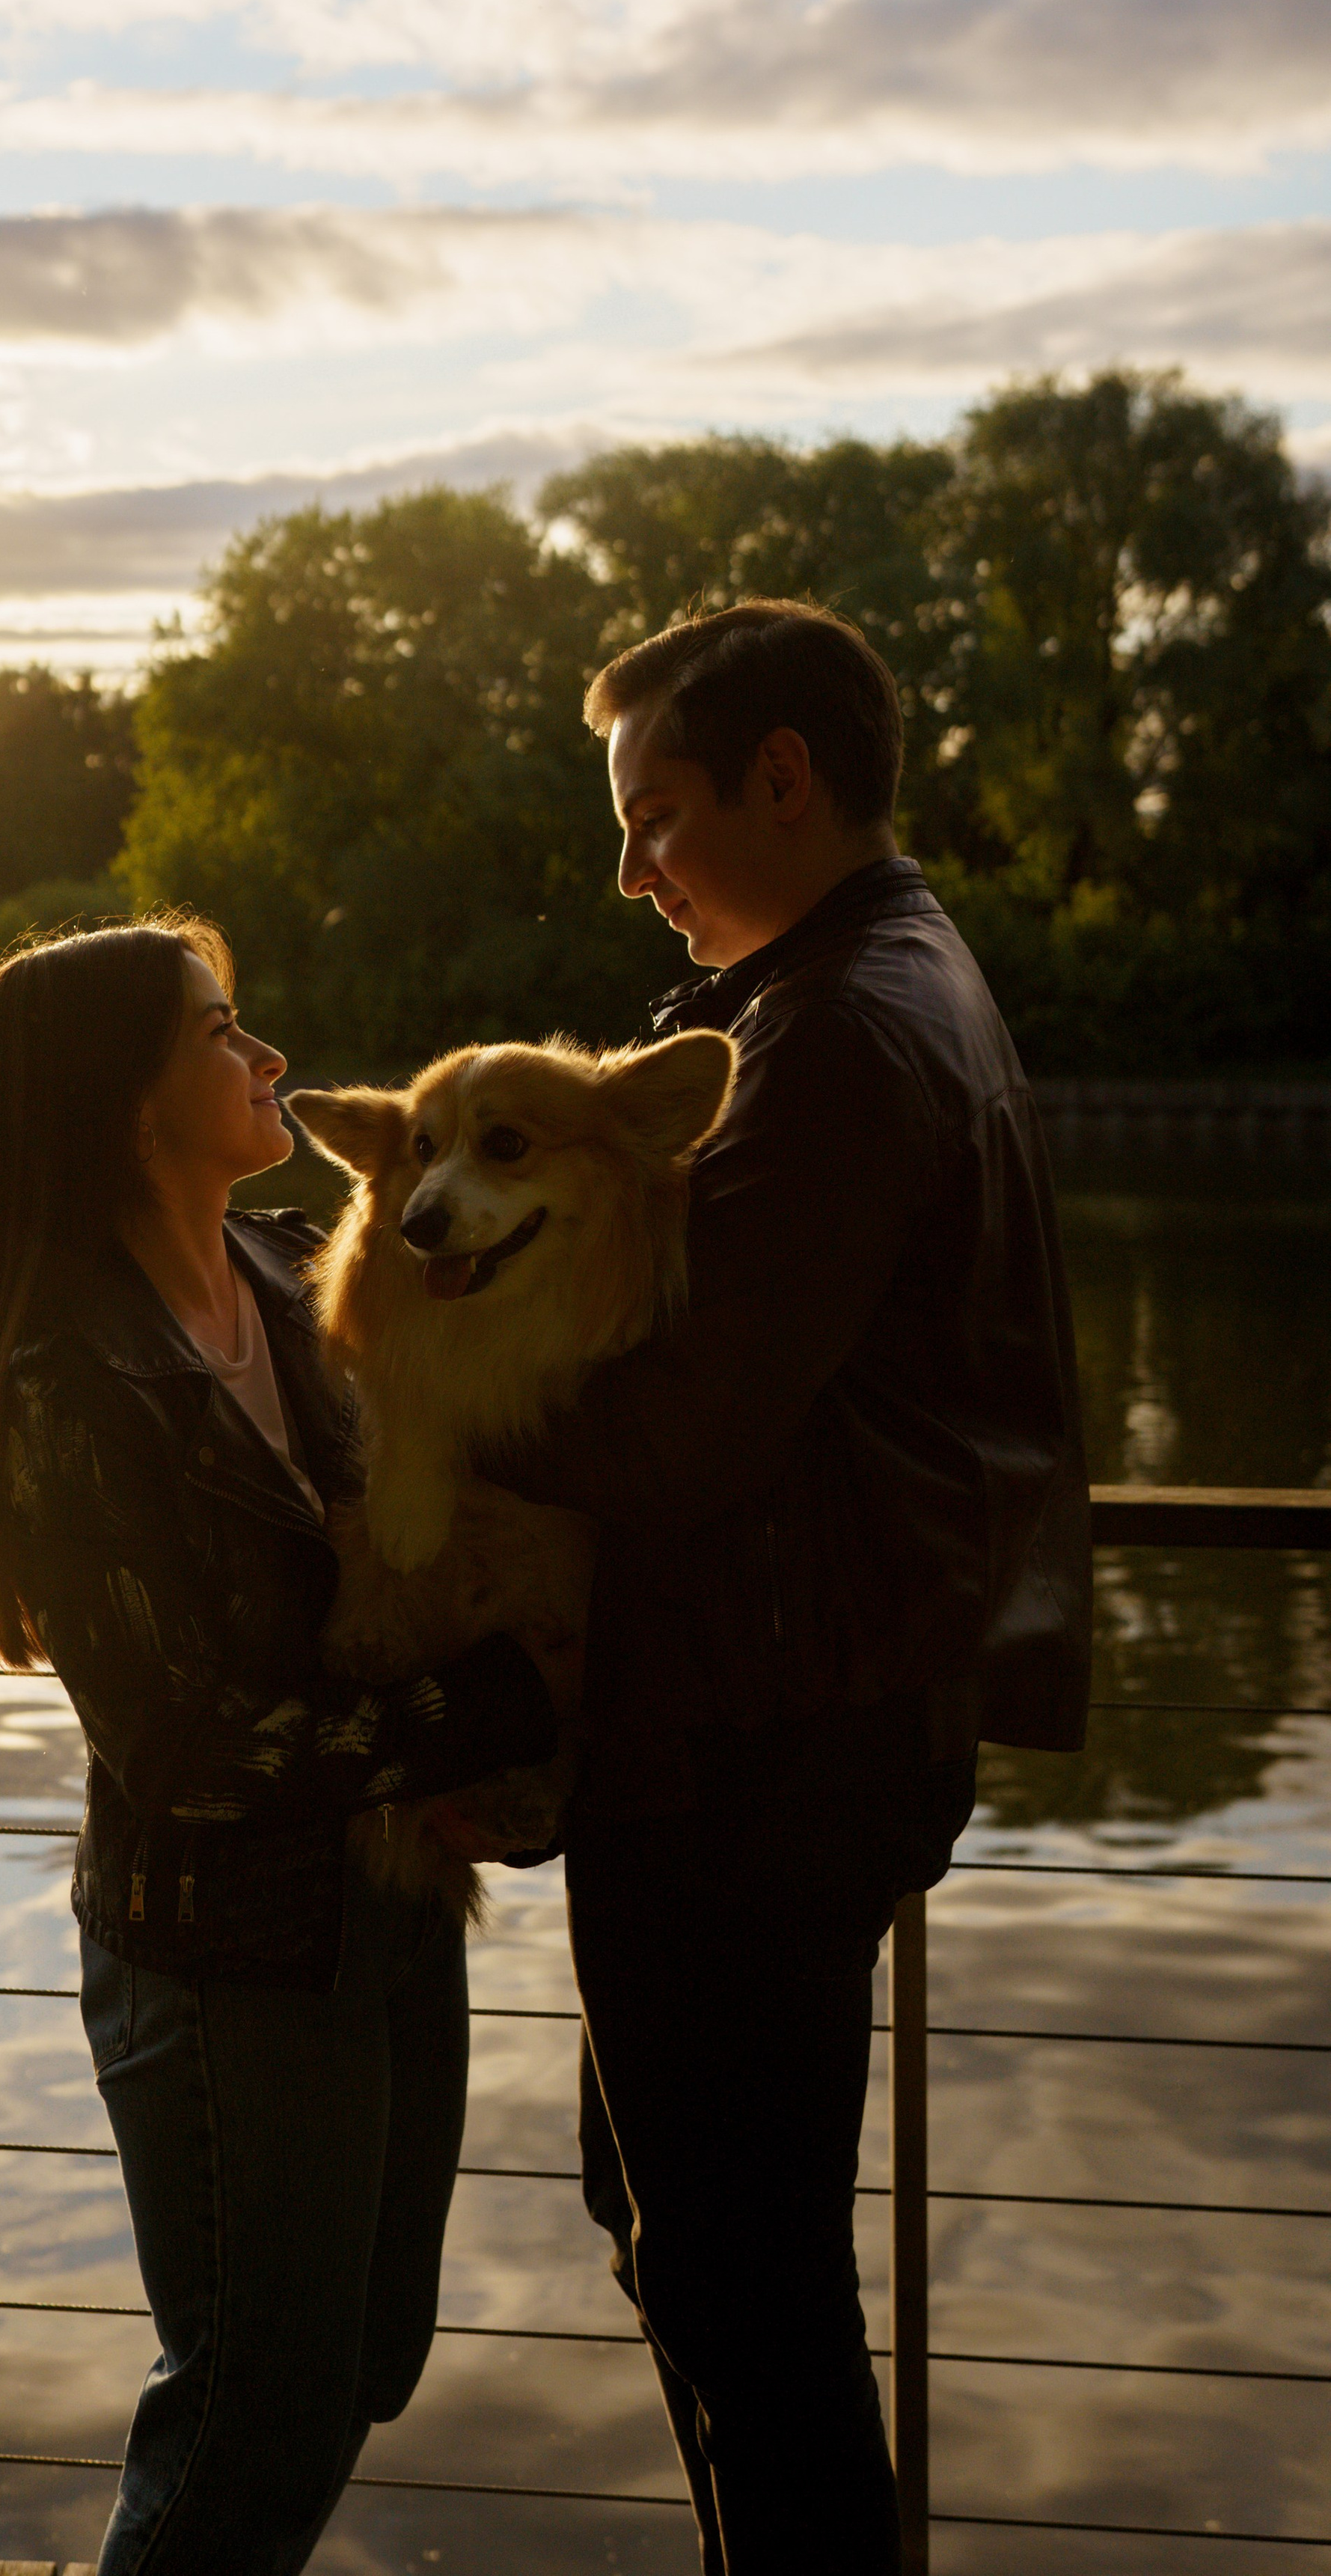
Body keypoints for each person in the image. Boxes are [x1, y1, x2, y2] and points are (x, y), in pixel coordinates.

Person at [477, 599, 1092, 2575]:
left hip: (760, 1753)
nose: (629, 864)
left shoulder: (830, 1035)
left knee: (745, 2297)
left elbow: (676, 1436)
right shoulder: (871, 985)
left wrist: (411, 1428)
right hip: (802, 1723)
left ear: (783, 778)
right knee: (693, 2245)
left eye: (653, 813)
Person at [0, 912, 574, 2576]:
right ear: (124, 1101)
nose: (268, 1058)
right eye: (223, 1032)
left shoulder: (302, 1270)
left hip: (385, 1907)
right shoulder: (70, 1377)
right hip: (223, 1950)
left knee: (362, 2361)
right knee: (254, 2404)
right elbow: (183, 1751)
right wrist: (499, 1713)